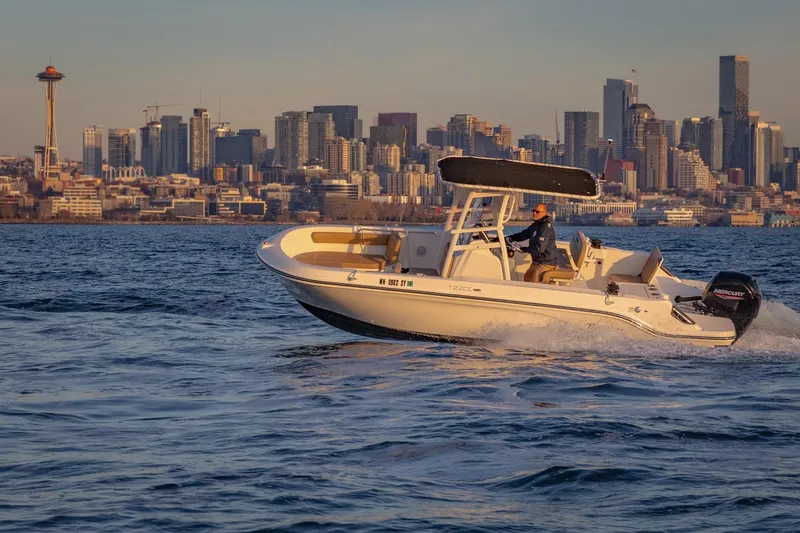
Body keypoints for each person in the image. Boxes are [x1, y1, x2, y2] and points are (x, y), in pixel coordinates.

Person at [506, 203, 558, 283]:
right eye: (534, 211)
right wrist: (509, 238)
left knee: (534, 282)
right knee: (527, 277)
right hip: (537, 261)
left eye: (537, 212)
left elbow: (540, 248)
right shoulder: (536, 225)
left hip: (546, 263)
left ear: (544, 213)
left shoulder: (545, 227)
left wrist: (525, 249)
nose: (534, 213)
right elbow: (523, 235)